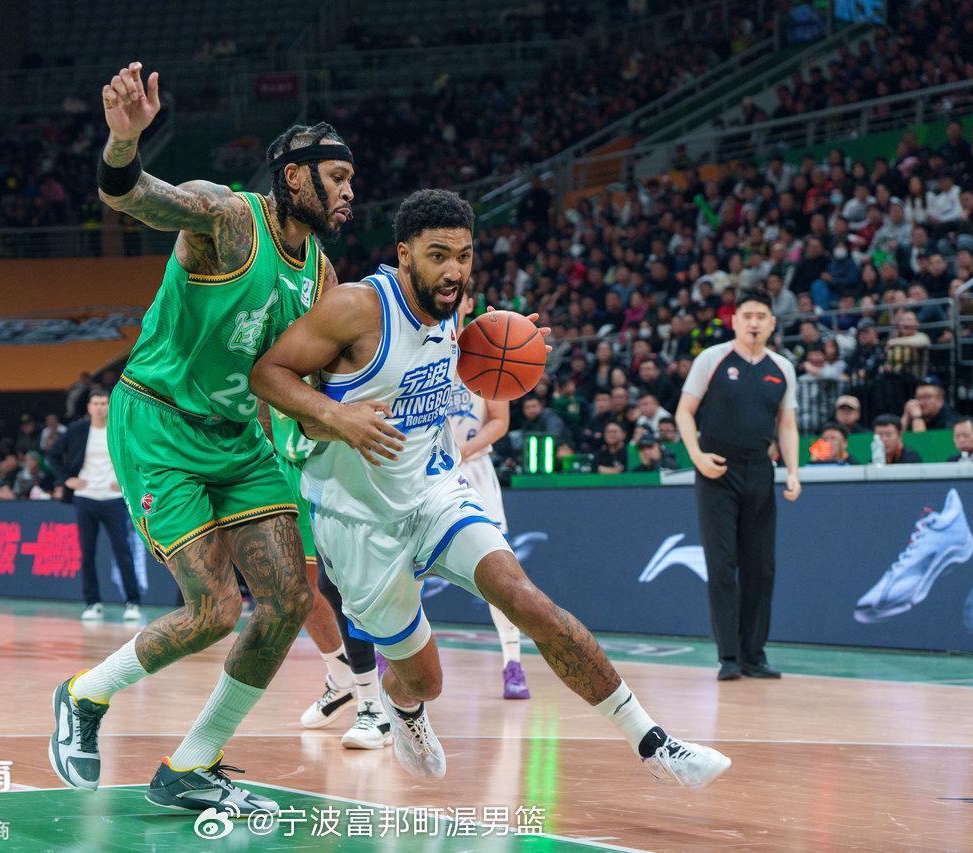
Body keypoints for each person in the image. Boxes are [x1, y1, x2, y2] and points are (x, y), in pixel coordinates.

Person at [252, 189, 729, 788]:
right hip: (359, 520)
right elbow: (267, 373)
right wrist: (335, 415)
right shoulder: (355, 307)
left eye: (465, 255)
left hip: (435, 494)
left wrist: (508, 347)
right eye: (438, 255)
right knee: (425, 681)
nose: (454, 269)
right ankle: (403, 706)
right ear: (405, 254)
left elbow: (448, 366)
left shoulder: (455, 311)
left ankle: (655, 744)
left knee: (526, 599)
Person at [49, 61, 354, 817]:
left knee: (289, 600)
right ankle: (85, 693)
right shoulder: (229, 218)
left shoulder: (320, 274)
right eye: (338, 177)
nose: (350, 191)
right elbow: (131, 194)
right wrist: (125, 142)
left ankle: (192, 762)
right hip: (159, 424)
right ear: (294, 176)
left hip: (238, 436)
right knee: (213, 609)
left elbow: (323, 381)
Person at [675, 288, 801, 682]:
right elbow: (684, 412)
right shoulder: (711, 359)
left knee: (760, 568)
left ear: (773, 323)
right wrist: (697, 456)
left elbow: (787, 425)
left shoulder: (782, 368)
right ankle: (728, 657)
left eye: (761, 316)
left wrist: (793, 471)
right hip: (717, 470)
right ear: (734, 321)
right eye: (747, 315)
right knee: (721, 564)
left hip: (760, 470)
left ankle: (754, 656)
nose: (754, 322)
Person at [267, 403, 389, 748]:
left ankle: (376, 704)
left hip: (337, 467)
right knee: (294, 589)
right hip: (287, 466)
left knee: (343, 588)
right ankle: (342, 677)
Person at [447, 282, 530, 700]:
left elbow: (500, 420)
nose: (449, 300)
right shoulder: (421, 344)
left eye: (457, 294)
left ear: (468, 302)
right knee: (409, 568)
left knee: (498, 571)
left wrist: (464, 451)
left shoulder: (486, 349)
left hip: (473, 467)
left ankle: (513, 662)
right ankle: (391, 657)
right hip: (425, 469)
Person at [48, 388, 142, 622]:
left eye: (104, 403)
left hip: (113, 500)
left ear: (110, 406)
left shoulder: (120, 428)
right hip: (85, 497)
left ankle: (133, 603)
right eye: (96, 403)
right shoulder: (77, 430)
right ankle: (93, 603)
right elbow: (52, 456)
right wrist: (66, 480)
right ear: (89, 407)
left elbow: (139, 456)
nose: (100, 408)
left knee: (123, 550)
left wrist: (125, 481)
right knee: (87, 552)